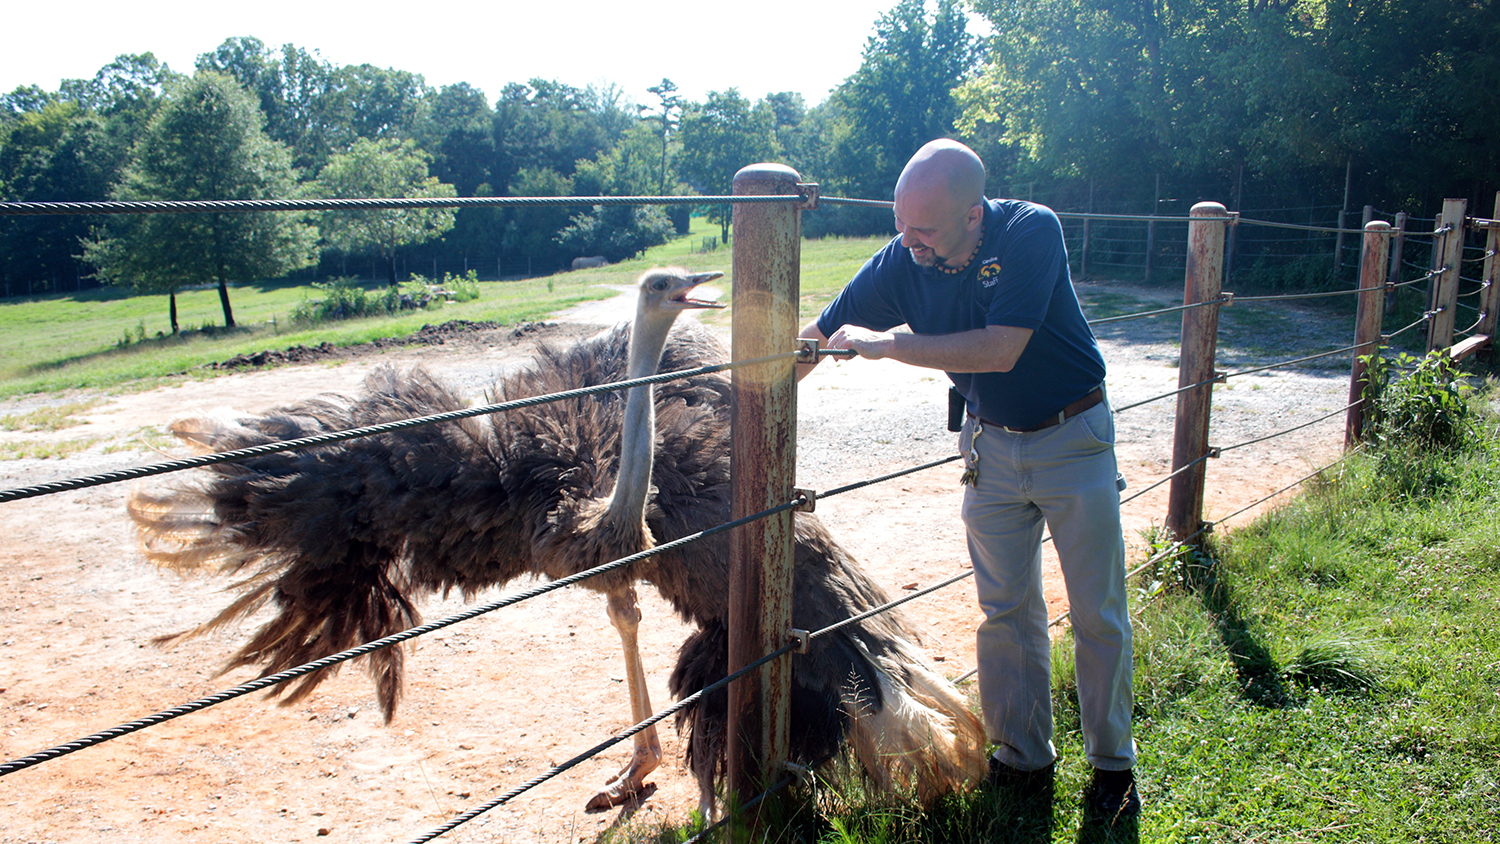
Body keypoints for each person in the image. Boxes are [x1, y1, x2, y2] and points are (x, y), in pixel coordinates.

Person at [796, 139, 1139, 821]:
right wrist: (755, 390)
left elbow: (1000, 347)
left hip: (1073, 437)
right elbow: (823, 331)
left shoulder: (1029, 231)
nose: (909, 241)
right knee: (1005, 612)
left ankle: (1112, 764)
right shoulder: (904, 257)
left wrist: (887, 345)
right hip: (988, 446)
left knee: (1096, 610)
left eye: (923, 228)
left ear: (974, 215)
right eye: (901, 224)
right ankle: (1021, 758)